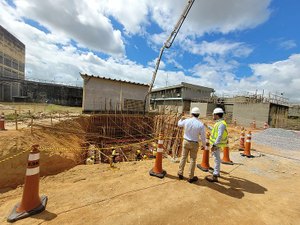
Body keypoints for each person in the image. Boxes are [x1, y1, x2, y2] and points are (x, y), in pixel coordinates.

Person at [177, 107, 206, 183]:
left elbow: (179, 124)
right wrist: (204, 145)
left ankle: (180, 173)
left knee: (183, 157)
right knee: (193, 160)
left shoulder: (186, 121)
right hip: (194, 143)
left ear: (191, 113)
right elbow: (203, 137)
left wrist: (181, 118)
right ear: (198, 114)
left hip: (186, 141)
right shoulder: (201, 124)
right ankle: (190, 177)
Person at [205, 107, 228, 182]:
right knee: (217, 158)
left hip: (217, 144)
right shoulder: (219, 123)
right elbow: (215, 130)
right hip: (217, 144)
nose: (213, 116)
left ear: (216, 115)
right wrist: (207, 126)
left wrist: (214, 145)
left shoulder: (221, 124)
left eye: (213, 115)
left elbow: (219, 135)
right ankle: (216, 172)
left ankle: (215, 175)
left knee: (216, 159)